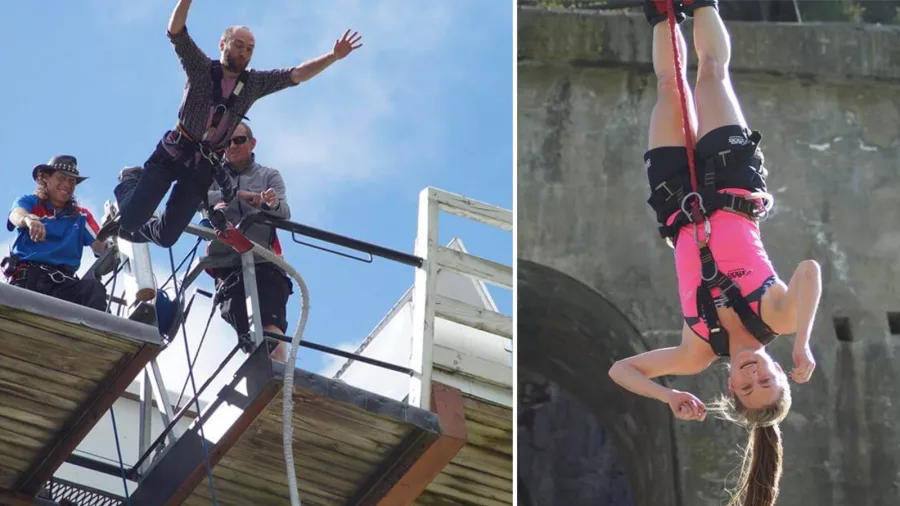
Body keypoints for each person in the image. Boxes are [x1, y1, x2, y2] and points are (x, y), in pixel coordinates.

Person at [608, 2, 823, 505]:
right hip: (732, 180)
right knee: (711, 74)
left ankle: (661, 15)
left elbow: (621, 370)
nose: (752, 375)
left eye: (746, 387)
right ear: (777, 370)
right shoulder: (780, 318)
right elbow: (811, 271)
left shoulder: (695, 350)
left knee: (668, 86)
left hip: (677, 203)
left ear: (729, 387)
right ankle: (704, 4)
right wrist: (803, 342)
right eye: (766, 379)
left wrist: (669, 395)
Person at [98, 0, 361, 249]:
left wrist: (333, 56)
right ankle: (130, 181)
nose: (244, 53)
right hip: (174, 151)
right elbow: (176, 32)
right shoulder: (201, 68)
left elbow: (296, 75)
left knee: (166, 238)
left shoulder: (252, 84)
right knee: (133, 218)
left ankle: (123, 228)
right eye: (238, 45)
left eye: (249, 49)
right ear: (223, 44)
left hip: (202, 167)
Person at [207, 122, 293, 361]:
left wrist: (269, 204)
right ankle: (260, 370)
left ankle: (276, 374)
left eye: (239, 140)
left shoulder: (269, 175)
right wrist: (240, 197)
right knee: (244, 326)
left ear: (252, 143)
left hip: (263, 258)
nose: (232, 146)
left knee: (271, 321)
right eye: (227, 142)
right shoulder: (212, 176)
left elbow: (284, 211)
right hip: (226, 261)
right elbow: (197, 199)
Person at [3, 155, 109, 312]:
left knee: (94, 290)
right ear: (45, 178)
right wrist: (30, 220)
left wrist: (118, 235)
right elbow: (16, 214)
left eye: (72, 181)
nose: (67, 184)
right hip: (30, 279)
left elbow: (100, 245)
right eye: (62, 178)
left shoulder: (81, 217)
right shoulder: (31, 202)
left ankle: (99, 334)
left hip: (65, 286)